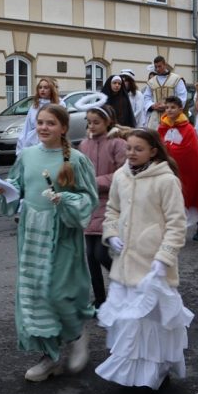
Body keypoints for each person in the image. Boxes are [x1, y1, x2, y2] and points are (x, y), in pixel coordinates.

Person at [0, 104, 98, 381]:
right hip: (32, 235)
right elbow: (16, 188)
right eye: (40, 122)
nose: (43, 127)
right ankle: (49, 356)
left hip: (62, 235)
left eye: (50, 123)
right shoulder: (27, 155)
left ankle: (77, 335)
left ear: (63, 128)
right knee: (36, 295)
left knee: (59, 292)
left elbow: (89, 199)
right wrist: (3, 190)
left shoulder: (76, 160)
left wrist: (66, 200)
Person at [97, 129, 192, 390]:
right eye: (129, 148)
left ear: (153, 151)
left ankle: (155, 372)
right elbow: (112, 209)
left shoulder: (166, 180)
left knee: (152, 322)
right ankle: (131, 373)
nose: (131, 153)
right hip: (125, 264)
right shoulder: (121, 176)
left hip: (152, 266)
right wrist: (111, 234)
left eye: (138, 149)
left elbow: (176, 223)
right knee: (129, 321)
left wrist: (164, 257)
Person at [77, 104, 127, 308]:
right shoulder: (84, 144)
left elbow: (123, 173)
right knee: (90, 256)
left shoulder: (117, 144)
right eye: (89, 122)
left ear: (108, 122)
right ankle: (99, 299)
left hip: (110, 203)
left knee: (101, 253)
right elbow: (80, 169)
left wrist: (95, 182)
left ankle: (125, 284)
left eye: (96, 122)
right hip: (90, 204)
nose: (91, 126)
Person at [158, 97, 198, 241]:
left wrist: (169, 149)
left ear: (180, 110)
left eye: (173, 107)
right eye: (167, 107)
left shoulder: (188, 129)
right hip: (168, 169)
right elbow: (158, 145)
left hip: (188, 170)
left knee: (192, 195)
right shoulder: (162, 127)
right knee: (169, 199)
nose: (169, 110)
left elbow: (191, 151)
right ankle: (171, 230)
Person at [141, 56, 187, 129]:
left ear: (165, 65)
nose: (157, 69)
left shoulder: (176, 79)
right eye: (156, 67)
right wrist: (152, 105)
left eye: (159, 66)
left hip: (172, 115)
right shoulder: (151, 82)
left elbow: (182, 96)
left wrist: (168, 106)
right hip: (155, 117)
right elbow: (146, 97)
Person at [19, 77, 62, 151]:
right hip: (33, 144)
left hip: (52, 144)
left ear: (51, 89)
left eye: (46, 87)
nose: (42, 90)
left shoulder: (59, 104)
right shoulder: (35, 106)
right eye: (40, 87)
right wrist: (21, 147)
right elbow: (27, 127)